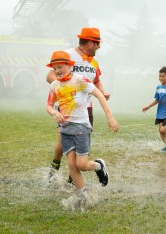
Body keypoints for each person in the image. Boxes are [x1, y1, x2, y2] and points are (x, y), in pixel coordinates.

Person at [46, 51, 119, 206]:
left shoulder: (80, 80)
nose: (57, 71)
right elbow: (49, 106)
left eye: (60, 67)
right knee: (72, 165)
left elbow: (99, 95)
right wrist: (54, 112)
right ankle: (83, 196)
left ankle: (99, 165)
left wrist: (110, 117)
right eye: (54, 68)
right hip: (65, 130)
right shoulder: (55, 85)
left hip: (81, 128)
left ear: (69, 65)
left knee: (82, 165)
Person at [47, 27, 110, 183]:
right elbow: (50, 75)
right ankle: (54, 168)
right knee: (62, 143)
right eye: (97, 44)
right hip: (65, 108)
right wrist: (65, 89)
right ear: (89, 42)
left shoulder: (94, 61)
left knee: (79, 146)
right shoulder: (68, 54)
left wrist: (102, 91)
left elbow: (95, 81)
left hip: (86, 109)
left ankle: (72, 179)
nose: (99, 47)